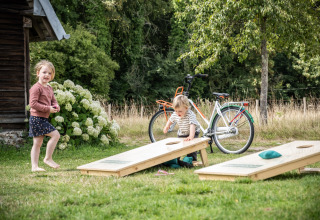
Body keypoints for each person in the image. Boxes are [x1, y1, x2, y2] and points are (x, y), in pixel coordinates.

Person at [29, 60, 61, 172]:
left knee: (37, 143)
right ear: (38, 73)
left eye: (49, 73)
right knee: (55, 135)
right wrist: (48, 108)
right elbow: (33, 104)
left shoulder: (49, 88)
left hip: (43, 118)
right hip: (36, 118)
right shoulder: (36, 88)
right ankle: (47, 159)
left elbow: (53, 100)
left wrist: (56, 106)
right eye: (44, 72)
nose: (47, 75)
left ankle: (35, 167)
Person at [163, 95, 200, 166]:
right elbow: (170, 120)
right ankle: (176, 159)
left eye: (180, 111)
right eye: (176, 110)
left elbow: (192, 125)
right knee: (179, 146)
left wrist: (191, 136)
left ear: (186, 108)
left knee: (191, 146)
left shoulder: (190, 114)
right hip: (182, 132)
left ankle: (192, 159)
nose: (177, 113)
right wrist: (167, 126)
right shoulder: (175, 114)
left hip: (193, 131)